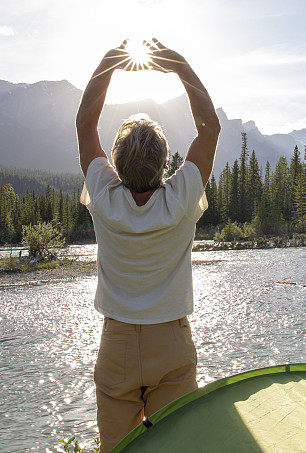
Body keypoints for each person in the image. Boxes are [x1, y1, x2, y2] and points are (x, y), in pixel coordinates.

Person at [75, 38, 220, 451]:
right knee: (175, 446)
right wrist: (179, 66)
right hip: (171, 343)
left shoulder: (104, 198)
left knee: (116, 449)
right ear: (165, 164)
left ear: (115, 166)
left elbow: (85, 126)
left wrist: (108, 63)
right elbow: (210, 128)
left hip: (116, 342)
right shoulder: (179, 200)